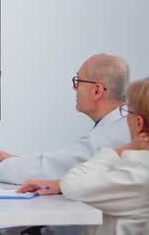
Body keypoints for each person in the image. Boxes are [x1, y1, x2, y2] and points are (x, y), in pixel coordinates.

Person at [0, 54, 130, 184]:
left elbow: (58, 168)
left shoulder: (111, 136)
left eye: (78, 81)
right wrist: (13, 161)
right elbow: (56, 163)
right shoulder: (118, 126)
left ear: (97, 91)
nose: (74, 87)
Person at [19, 78, 149, 235]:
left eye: (127, 111)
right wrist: (59, 185)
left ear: (139, 123)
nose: (74, 88)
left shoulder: (138, 170)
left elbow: (72, 182)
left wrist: (117, 151)